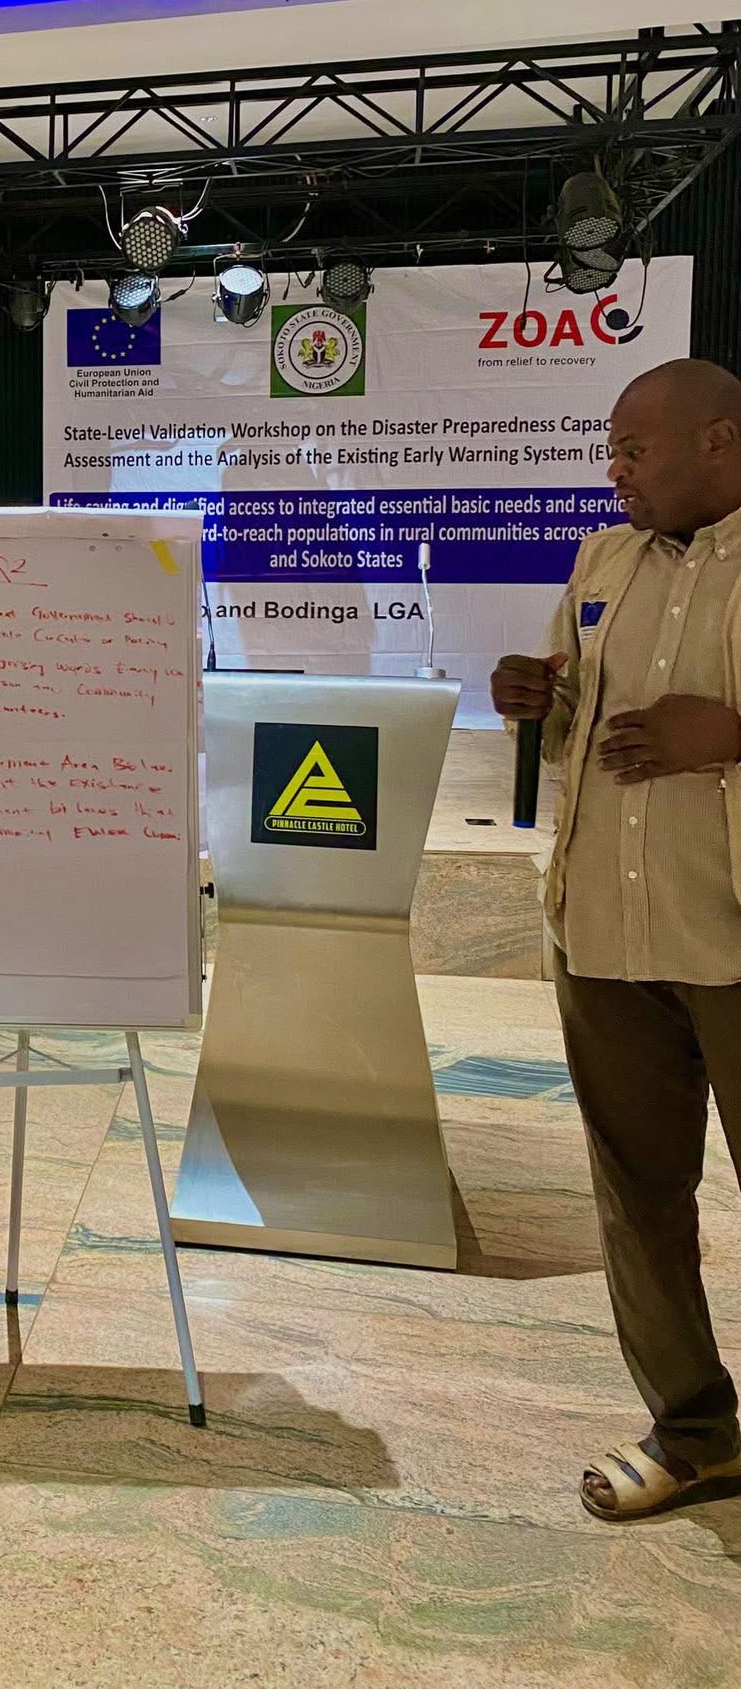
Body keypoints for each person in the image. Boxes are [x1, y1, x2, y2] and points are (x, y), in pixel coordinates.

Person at [492, 355, 741, 1523]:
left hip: (730, 932)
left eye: (635, 449)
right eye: (612, 450)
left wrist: (732, 734)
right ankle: (693, 1430)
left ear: (718, 440)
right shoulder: (602, 559)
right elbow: (575, 721)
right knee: (638, 1193)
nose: (615, 470)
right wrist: (537, 700)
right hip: (603, 932)